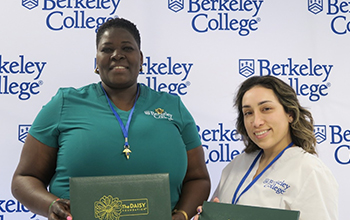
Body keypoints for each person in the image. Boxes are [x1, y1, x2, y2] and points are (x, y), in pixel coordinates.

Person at [11, 17, 210, 220]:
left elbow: (198, 178)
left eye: (127, 48)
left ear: (141, 59)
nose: (117, 55)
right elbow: (24, 179)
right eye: (107, 49)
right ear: (96, 60)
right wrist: (51, 206)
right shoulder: (64, 103)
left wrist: (183, 215)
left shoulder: (172, 106)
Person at [195, 75, 338, 220]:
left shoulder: (310, 171)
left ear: (290, 114)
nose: (256, 122)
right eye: (248, 113)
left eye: (266, 109)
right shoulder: (236, 165)